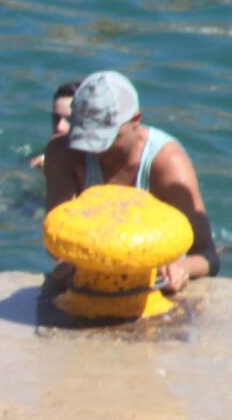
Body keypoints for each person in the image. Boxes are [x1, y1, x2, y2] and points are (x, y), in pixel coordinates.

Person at [41, 70, 217, 296]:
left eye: (106, 138)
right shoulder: (63, 152)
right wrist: (70, 262)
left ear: (136, 121)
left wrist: (182, 268)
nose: (94, 149)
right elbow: (57, 238)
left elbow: (208, 256)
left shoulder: (168, 162)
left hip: (154, 281)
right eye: (85, 136)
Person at [26, 80, 78, 172]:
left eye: (70, 119)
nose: (59, 127)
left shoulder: (107, 162)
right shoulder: (40, 160)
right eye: (56, 118)